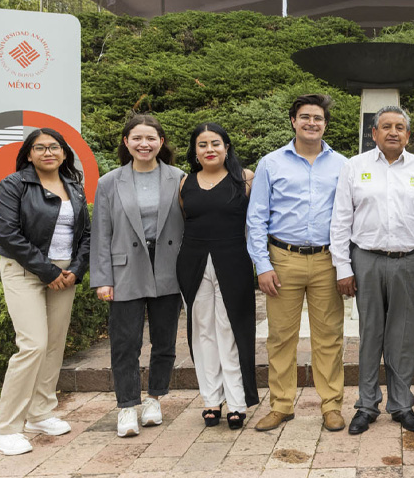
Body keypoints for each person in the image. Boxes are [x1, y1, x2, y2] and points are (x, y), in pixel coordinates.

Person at [330, 106, 414, 435]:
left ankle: (401, 405)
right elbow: (340, 220)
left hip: (410, 262)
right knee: (370, 334)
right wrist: (342, 266)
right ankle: (366, 405)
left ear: (408, 135)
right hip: (365, 260)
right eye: (386, 126)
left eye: (399, 127)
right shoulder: (355, 167)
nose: (393, 132)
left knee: (404, 336)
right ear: (374, 133)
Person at [0, 129, 91, 456]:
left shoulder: (73, 186)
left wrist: (76, 269)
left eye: (54, 147)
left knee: (54, 344)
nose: (48, 152)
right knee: (33, 344)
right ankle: (3, 429)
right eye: (40, 147)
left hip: (64, 273)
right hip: (25, 269)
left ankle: (40, 413)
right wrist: (47, 271)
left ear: (64, 153)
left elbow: (86, 234)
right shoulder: (14, 185)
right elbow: (7, 233)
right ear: (29, 154)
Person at [246, 94, 349, 433]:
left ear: (325, 124)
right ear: (293, 121)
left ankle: (331, 406)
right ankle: (281, 405)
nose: (311, 123)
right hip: (283, 260)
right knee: (280, 337)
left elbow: (350, 216)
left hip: (326, 260)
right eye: (305, 117)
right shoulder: (271, 163)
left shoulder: (342, 165)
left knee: (329, 336)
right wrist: (262, 265)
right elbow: (256, 217)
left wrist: (346, 265)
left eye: (317, 118)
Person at [91, 114, 185, 438]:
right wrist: (102, 278)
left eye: (150, 138)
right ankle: (127, 405)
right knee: (125, 342)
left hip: (168, 267)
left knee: (165, 340)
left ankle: (155, 399)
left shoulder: (179, 178)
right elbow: (101, 233)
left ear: (161, 142)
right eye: (137, 138)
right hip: (125, 269)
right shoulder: (109, 182)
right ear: (126, 142)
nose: (144, 144)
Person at [177, 123, 258, 430]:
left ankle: (236, 401)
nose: (209, 149)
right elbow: (184, 220)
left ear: (227, 147)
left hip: (234, 261)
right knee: (202, 331)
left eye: (215, 143)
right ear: (195, 151)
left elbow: (256, 222)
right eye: (202, 145)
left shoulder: (245, 178)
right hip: (193, 262)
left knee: (230, 330)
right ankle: (211, 399)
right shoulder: (185, 182)